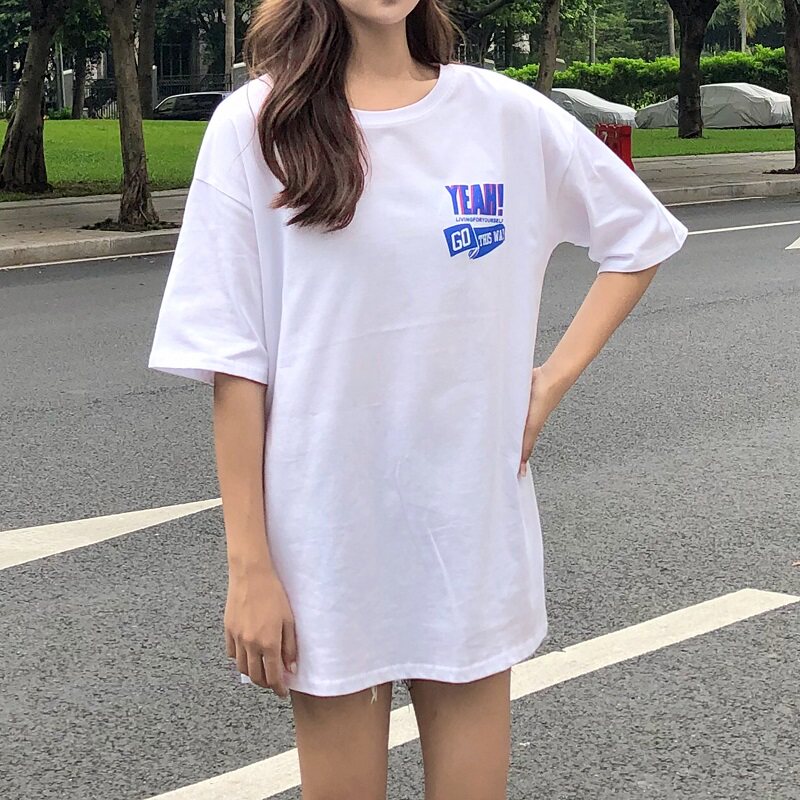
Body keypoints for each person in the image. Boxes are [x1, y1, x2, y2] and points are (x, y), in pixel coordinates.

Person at [147, 1, 688, 797]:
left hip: (468, 529)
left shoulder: (502, 116)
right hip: (326, 542)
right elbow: (235, 364)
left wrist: (548, 383)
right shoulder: (257, 126)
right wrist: (250, 566)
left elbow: (638, 236)